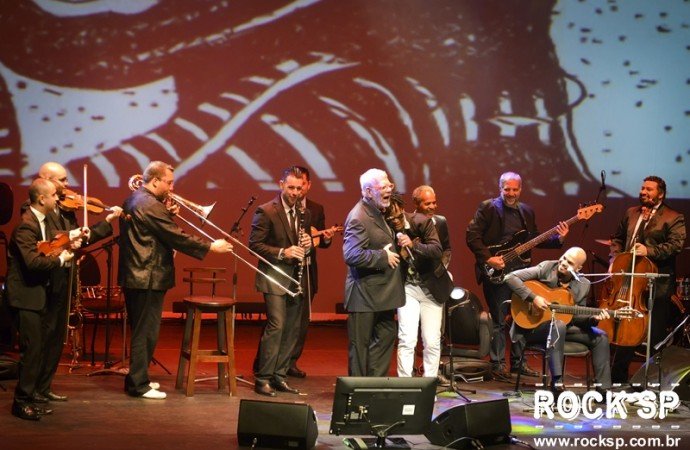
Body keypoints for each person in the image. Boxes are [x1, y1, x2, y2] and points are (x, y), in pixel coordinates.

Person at [118, 161, 233, 399]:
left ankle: (138, 379)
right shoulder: (150, 204)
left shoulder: (135, 199)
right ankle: (138, 385)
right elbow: (174, 236)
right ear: (155, 180)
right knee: (146, 332)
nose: (171, 187)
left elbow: (152, 232)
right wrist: (211, 246)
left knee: (143, 330)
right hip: (146, 275)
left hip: (138, 274)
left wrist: (166, 213)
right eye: (169, 182)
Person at [466, 171, 568, 381]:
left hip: (520, 273)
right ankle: (497, 364)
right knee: (499, 319)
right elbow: (472, 236)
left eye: (515, 189)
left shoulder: (526, 212)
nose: (511, 193)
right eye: (507, 189)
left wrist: (558, 239)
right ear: (500, 188)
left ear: (521, 189)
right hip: (496, 271)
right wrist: (488, 259)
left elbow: (534, 240)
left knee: (521, 317)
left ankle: (518, 364)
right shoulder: (488, 207)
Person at [33, 161, 122, 403]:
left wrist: (107, 221)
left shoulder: (66, 209)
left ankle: (44, 386)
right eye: (61, 180)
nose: (67, 185)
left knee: (56, 339)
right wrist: (67, 239)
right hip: (45, 282)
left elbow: (80, 239)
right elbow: (45, 243)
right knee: (44, 337)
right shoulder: (34, 211)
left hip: (64, 280)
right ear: (45, 180)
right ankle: (32, 389)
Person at [6, 179, 77, 420]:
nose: (58, 199)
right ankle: (21, 402)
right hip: (25, 297)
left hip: (37, 296)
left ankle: (31, 395)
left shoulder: (42, 223)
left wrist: (61, 248)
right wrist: (60, 260)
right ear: (42, 199)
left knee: (36, 349)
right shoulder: (27, 227)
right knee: (32, 350)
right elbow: (34, 262)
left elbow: (44, 251)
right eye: (54, 196)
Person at [608, 176, 686, 383]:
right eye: (642, 188)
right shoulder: (631, 213)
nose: (644, 192)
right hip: (630, 282)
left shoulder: (673, 217)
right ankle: (617, 377)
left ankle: (650, 380)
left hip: (657, 285)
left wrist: (648, 250)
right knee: (626, 327)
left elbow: (675, 246)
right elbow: (617, 239)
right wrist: (614, 260)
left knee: (654, 333)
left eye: (649, 189)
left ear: (660, 193)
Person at [505, 247, 613, 396]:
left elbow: (576, 316)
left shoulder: (583, 284)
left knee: (601, 336)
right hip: (533, 328)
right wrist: (533, 298)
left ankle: (604, 390)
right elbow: (509, 277)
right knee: (558, 325)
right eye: (563, 258)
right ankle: (557, 384)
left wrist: (592, 319)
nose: (563, 263)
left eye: (570, 262)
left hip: (562, 328)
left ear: (578, 268)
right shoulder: (547, 267)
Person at [249, 166, 313, 396]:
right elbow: (254, 245)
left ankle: (279, 375)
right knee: (277, 325)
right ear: (281, 185)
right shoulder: (266, 211)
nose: (295, 192)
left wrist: (308, 244)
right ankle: (263, 377)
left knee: (292, 328)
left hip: (295, 277)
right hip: (274, 276)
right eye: (291, 187)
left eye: (299, 188)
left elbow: (302, 241)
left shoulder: (303, 213)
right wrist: (282, 253)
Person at [343, 168, 404, 377]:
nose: (389, 189)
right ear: (368, 191)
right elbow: (351, 255)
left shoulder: (379, 212)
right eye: (383, 187)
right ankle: (357, 392)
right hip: (364, 294)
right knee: (360, 348)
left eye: (390, 185)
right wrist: (382, 257)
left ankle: (374, 386)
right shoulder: (358, 217)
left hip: (382, 293)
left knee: (386, 336)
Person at [387, 193, 453, 385]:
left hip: (431, 289)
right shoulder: (386, 227)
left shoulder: (421, 221)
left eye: (397, 215)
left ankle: (428, 385)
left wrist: (413, 244)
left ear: (402, 209)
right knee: (407, 338)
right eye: (390, 217)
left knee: (431, 341)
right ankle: (405, 385)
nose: (394, 220)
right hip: (408, 288)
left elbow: (436, 249)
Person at [287, 166, 335, 378]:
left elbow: (321, 242)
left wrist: (326, 237)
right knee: (281, 320)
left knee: (302, 320)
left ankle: (291, 362)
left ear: (308, 185)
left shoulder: (316, 208)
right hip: (286, 269)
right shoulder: (279, 207)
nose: (298, 190)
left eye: (302, 185)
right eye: (294, 186)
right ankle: (268, 362)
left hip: (307, 270)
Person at [412, 185, 451, 270]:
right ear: (416, 203)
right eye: (427, 204)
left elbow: (446, 250)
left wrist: (441, 270)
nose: (432, 207)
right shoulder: (408, 224)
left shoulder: (441, 222)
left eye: (434, 202)